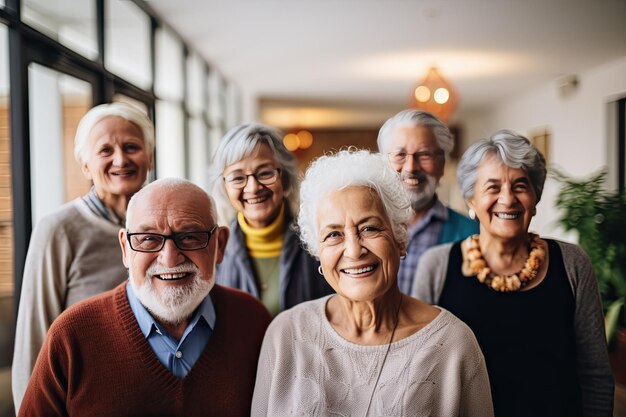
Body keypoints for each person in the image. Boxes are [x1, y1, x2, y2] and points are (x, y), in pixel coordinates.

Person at [252, 149, 493, 416]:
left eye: (369, 228)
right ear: (319, 253)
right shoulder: (286, 334)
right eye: (333, 234)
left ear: (400, 238)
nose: (354, 250)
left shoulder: (453, 344)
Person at [19, 178, 271, 416]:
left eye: (190, 237)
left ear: (220, 245)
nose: (170, 258)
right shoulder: (72, 334)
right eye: (148, 239)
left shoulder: (253, 322)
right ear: (125, 250)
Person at [412, 130, 614, 417]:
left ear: (535, 197)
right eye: (492, 187)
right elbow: (420, 371)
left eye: (520, 186)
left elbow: (594, 372)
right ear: (471, 200)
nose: (507, 199)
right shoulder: (437, 266)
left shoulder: (572, 263)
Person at [12, 102, 154, 412]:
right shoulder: (59, 228)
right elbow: (34, 340)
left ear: (150, 156)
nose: (120, 159)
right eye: (105, 150)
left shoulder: (163, 225)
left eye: (132, 147)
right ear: (85, 165)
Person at [209, 123, 333, 316]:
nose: (253, 188)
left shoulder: (319, 243)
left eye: (265, 173)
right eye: (238, 177)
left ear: (284, 177)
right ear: (224, 186)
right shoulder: (214, 252)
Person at [377, 109, 478, 294]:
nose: (411, 167)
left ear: (442, 165)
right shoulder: (363, 228)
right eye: (400, 155)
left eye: (424, 154)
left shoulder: (473, 235)